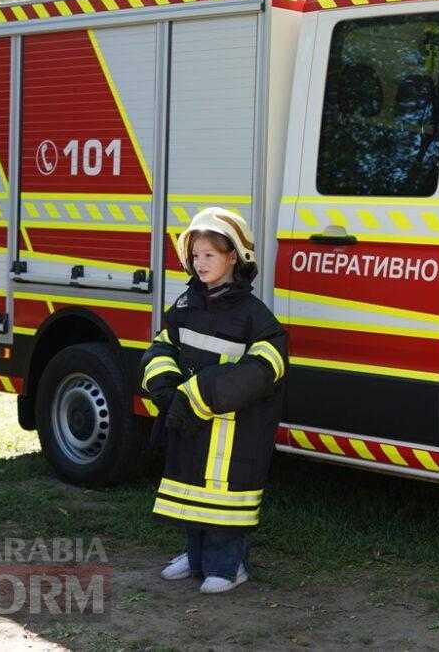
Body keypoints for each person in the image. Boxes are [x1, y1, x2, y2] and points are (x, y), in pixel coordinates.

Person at [140, 207, 287, 594]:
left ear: (233, 258)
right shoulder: (187, 305)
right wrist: (166, 390)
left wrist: (199, 396)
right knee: (190, 488)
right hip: (188, 421)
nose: (199, 263)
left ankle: (229, 565)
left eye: (209, 255)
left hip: (232, 433)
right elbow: (161, 346)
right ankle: (197, 558)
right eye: (195, 255)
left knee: (224, 497)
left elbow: (267, 366)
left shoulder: (253, 315)